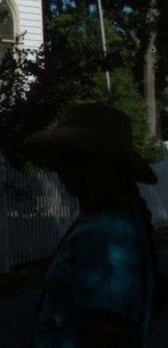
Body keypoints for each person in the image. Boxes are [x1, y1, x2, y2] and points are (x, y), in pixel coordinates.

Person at [22, 103, 163, 348]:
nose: (61, 169)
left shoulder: (108, 234)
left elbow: (110, 333)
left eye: (73, 158)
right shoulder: (100, 221)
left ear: (104, 166)